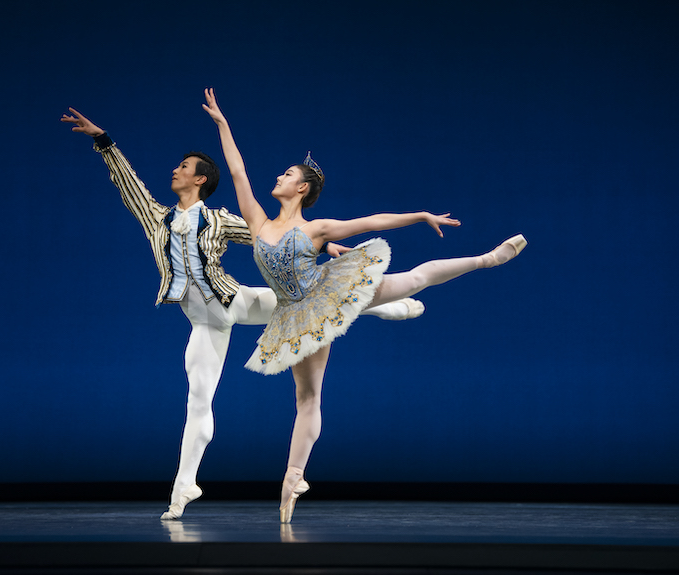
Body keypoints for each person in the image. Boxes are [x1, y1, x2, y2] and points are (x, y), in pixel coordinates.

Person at [60, 107, 426, 520]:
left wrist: (324, 245)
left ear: (200, 179)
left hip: (238, 301)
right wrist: (102, 139)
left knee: (308, 301)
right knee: (198, 400)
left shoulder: (219, 221)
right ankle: (184, 487)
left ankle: (382, 306)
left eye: (183, 167)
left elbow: (277, 237)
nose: (174, 171)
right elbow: (129, 185)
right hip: (204, 322)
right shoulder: (157, 219)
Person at [202, 88, 527, 523]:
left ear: (301, 187)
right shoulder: (258, 221)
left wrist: (420, 216)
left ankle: (488, 258)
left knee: (413, 279)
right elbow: (238, 171)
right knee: (307, 397)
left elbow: (372, 221)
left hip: (327, 290)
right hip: (294, 314)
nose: (277, 178)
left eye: (286, 175)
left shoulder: (318, 228)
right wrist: (223, 125)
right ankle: (293, 478)